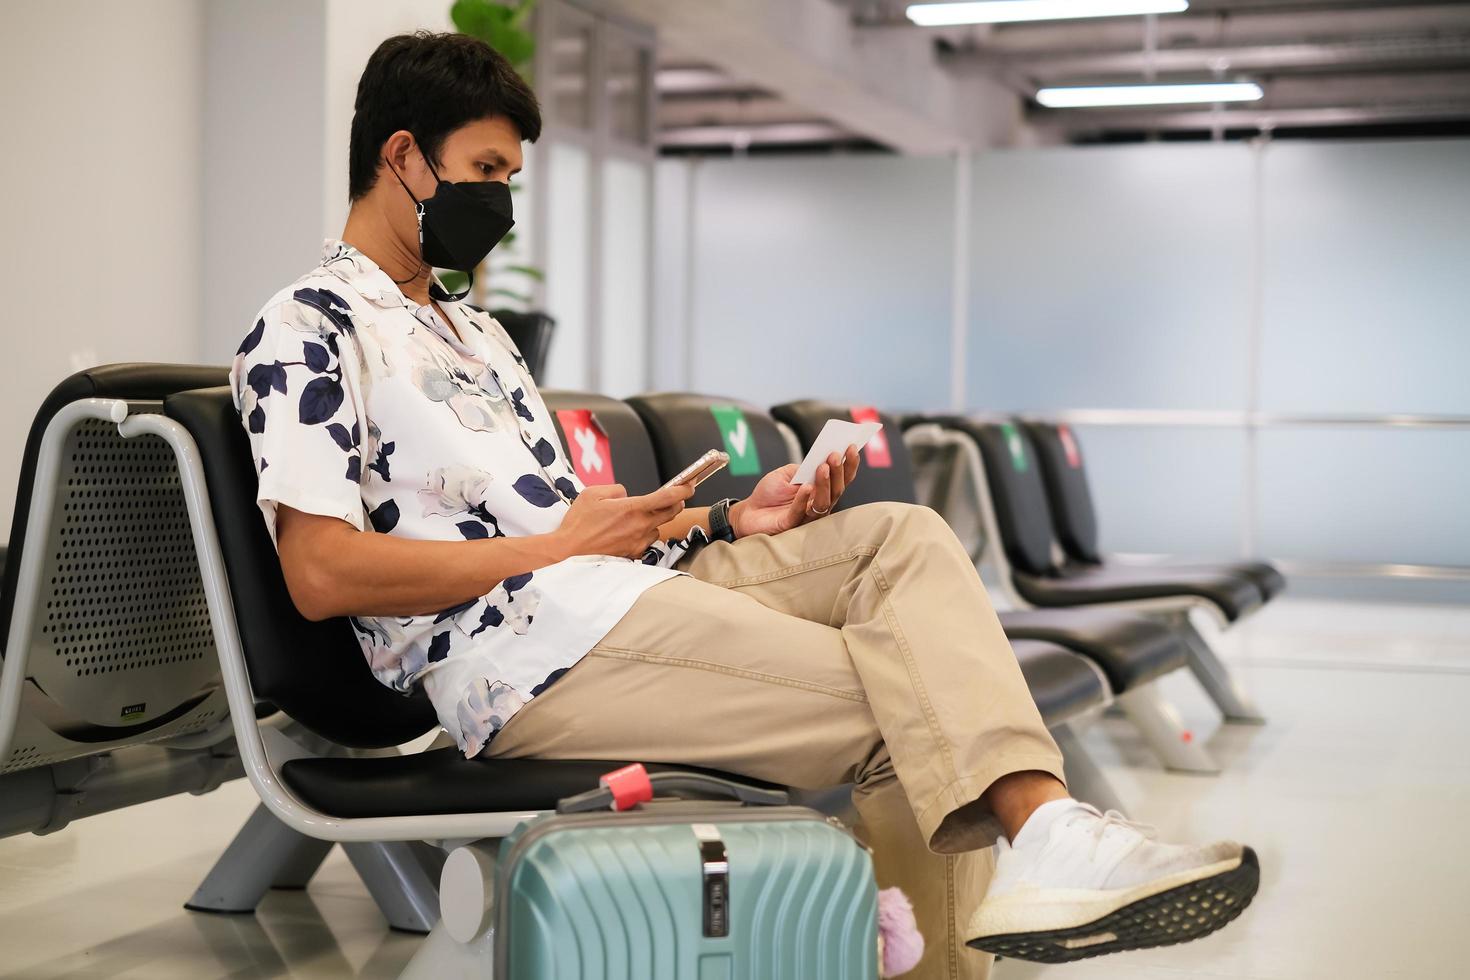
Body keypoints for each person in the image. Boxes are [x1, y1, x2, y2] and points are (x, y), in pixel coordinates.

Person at [229, 31, 1258, 979]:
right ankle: (1046, 839)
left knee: (900, 536)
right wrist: (551, 544)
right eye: (488, 171)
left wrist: (723, 521)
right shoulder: (309, 327)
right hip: (521, 659)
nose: (501, 199)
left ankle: (1047, 837)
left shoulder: (476, 334)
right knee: (911, 703)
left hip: (612, 593)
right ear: (403, 156)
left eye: (512, 178)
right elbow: (321, 574)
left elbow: (567, 526)